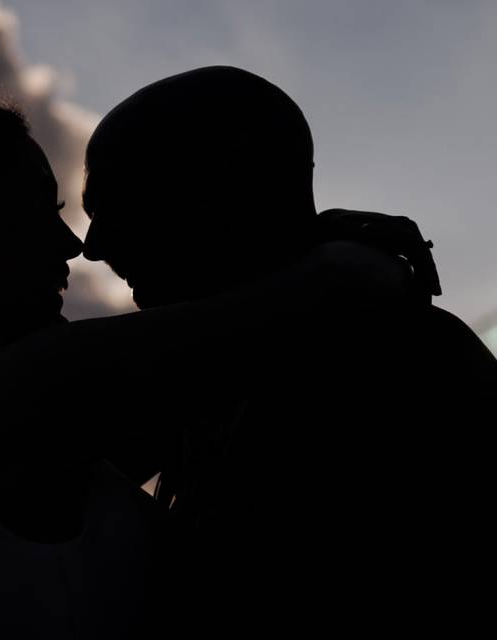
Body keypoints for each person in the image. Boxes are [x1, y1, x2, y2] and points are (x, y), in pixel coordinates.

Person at [0, 96, 413, 639]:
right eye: (42, 209)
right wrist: (331, 249)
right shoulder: (10, 402)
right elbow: (324, 291)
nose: (75, 244)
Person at [81, 66, 497, 630]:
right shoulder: (220, 381)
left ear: (226, 187)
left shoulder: (396, 371)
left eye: (118, 203)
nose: (93, 245)